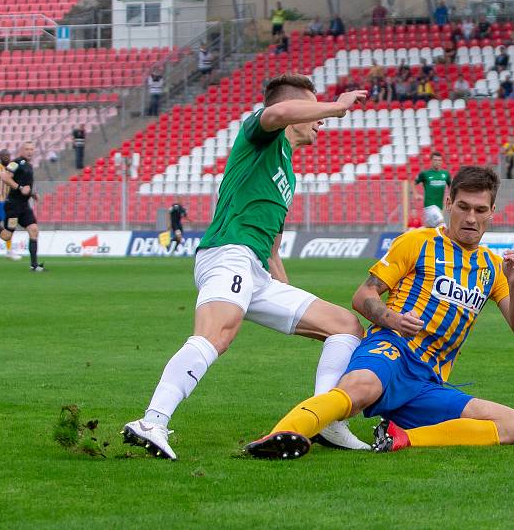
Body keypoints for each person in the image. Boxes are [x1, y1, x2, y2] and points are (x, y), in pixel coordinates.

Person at [120, 75, 370, 460]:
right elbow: (279, 111)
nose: (320, 119)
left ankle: (324, 417)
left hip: (258, 271)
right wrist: (338, 106)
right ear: (294, 113)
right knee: (218, 334)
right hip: (228, 253)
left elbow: (272, 241)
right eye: (313, 108)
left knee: (346, 326)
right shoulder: (262, 136)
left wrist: (285, 288)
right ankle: (152, 420)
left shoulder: (288, 172)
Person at [243, 166, 514, 459]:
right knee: (361, 387)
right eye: (463, 207)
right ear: (449, 203)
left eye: (480, 209)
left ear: (492, 211)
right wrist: (394, 320)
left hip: (427, 381)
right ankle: (281, 434)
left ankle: (401, 438)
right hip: (392, 348)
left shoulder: (494, 267)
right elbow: (363, 295)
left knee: (513, 425)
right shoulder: (417, 242)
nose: (471, 218)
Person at [0, 142, 43, 271]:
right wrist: (20, 188)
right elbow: (5, 177)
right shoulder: (16, 163)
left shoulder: (29, 165)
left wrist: (32, 194)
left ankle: (34, 266)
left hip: (24, 205)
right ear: (21, 150)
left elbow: (25, 186)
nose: (30, 151)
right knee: (7, 236)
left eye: (32, 149)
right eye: (27, 149)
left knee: (34, 230)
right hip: (13, 205)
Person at [414, 151, 451, 228]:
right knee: (442, 226)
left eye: (439, 160)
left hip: (439, 207)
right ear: (431, 161)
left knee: (430, 228)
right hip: (429, 206)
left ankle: (412, 235)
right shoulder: (425, 174)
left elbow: (451, 186)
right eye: (435, 160)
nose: (437, 162)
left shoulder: (445, 174)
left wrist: (450, 196)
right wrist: (416, 194)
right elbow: (414, 182)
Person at [0, 149, 19, 260]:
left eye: (8, 155)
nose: (6, 157)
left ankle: (9, 251)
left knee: (9, 225)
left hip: (6, 201)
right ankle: (9, 251)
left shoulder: (11, 169)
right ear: (0, 157)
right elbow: (3, 176)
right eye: (4, 155)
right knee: (7, 225)